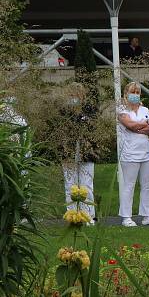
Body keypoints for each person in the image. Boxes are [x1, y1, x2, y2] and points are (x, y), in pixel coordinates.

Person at [117, 82, 149, 227]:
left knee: (146, 185)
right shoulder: (122, 109)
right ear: (126, 93)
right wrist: (144, 123)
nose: (135, 94)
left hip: (145, 152)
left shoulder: (145, 109)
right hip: (129, 153)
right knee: (129, 185)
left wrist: (139, 126)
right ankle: (126, 217)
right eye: (132, 91)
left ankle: (147, 215)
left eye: (138, 92)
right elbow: (131, 125)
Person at [61, 83, 99, 222]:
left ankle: (88, 215)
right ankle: (71, 215)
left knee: (86, 185)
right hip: (69, 152)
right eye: (71, 95)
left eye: (76, 95)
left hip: (86, 151)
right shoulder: (63, 110)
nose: (74, 98)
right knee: (70, 185)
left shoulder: (90, 109)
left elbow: (92, 127)